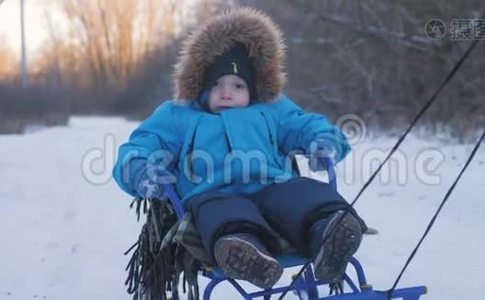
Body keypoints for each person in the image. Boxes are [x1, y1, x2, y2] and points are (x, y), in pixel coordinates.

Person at [113, 7, 367, 289]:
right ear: (200, 86)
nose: (226, 92)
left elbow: (304, 125)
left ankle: (330, 232)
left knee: (303, 192)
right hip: (211, 194)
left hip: (273, 188)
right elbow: (144, 143)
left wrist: (324, 142)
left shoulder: (272, 109)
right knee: (221, 213)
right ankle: (244, 252)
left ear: (253, 88)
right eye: (217, 84)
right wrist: (138, 169)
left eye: (237, 85)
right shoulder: (179, 115)